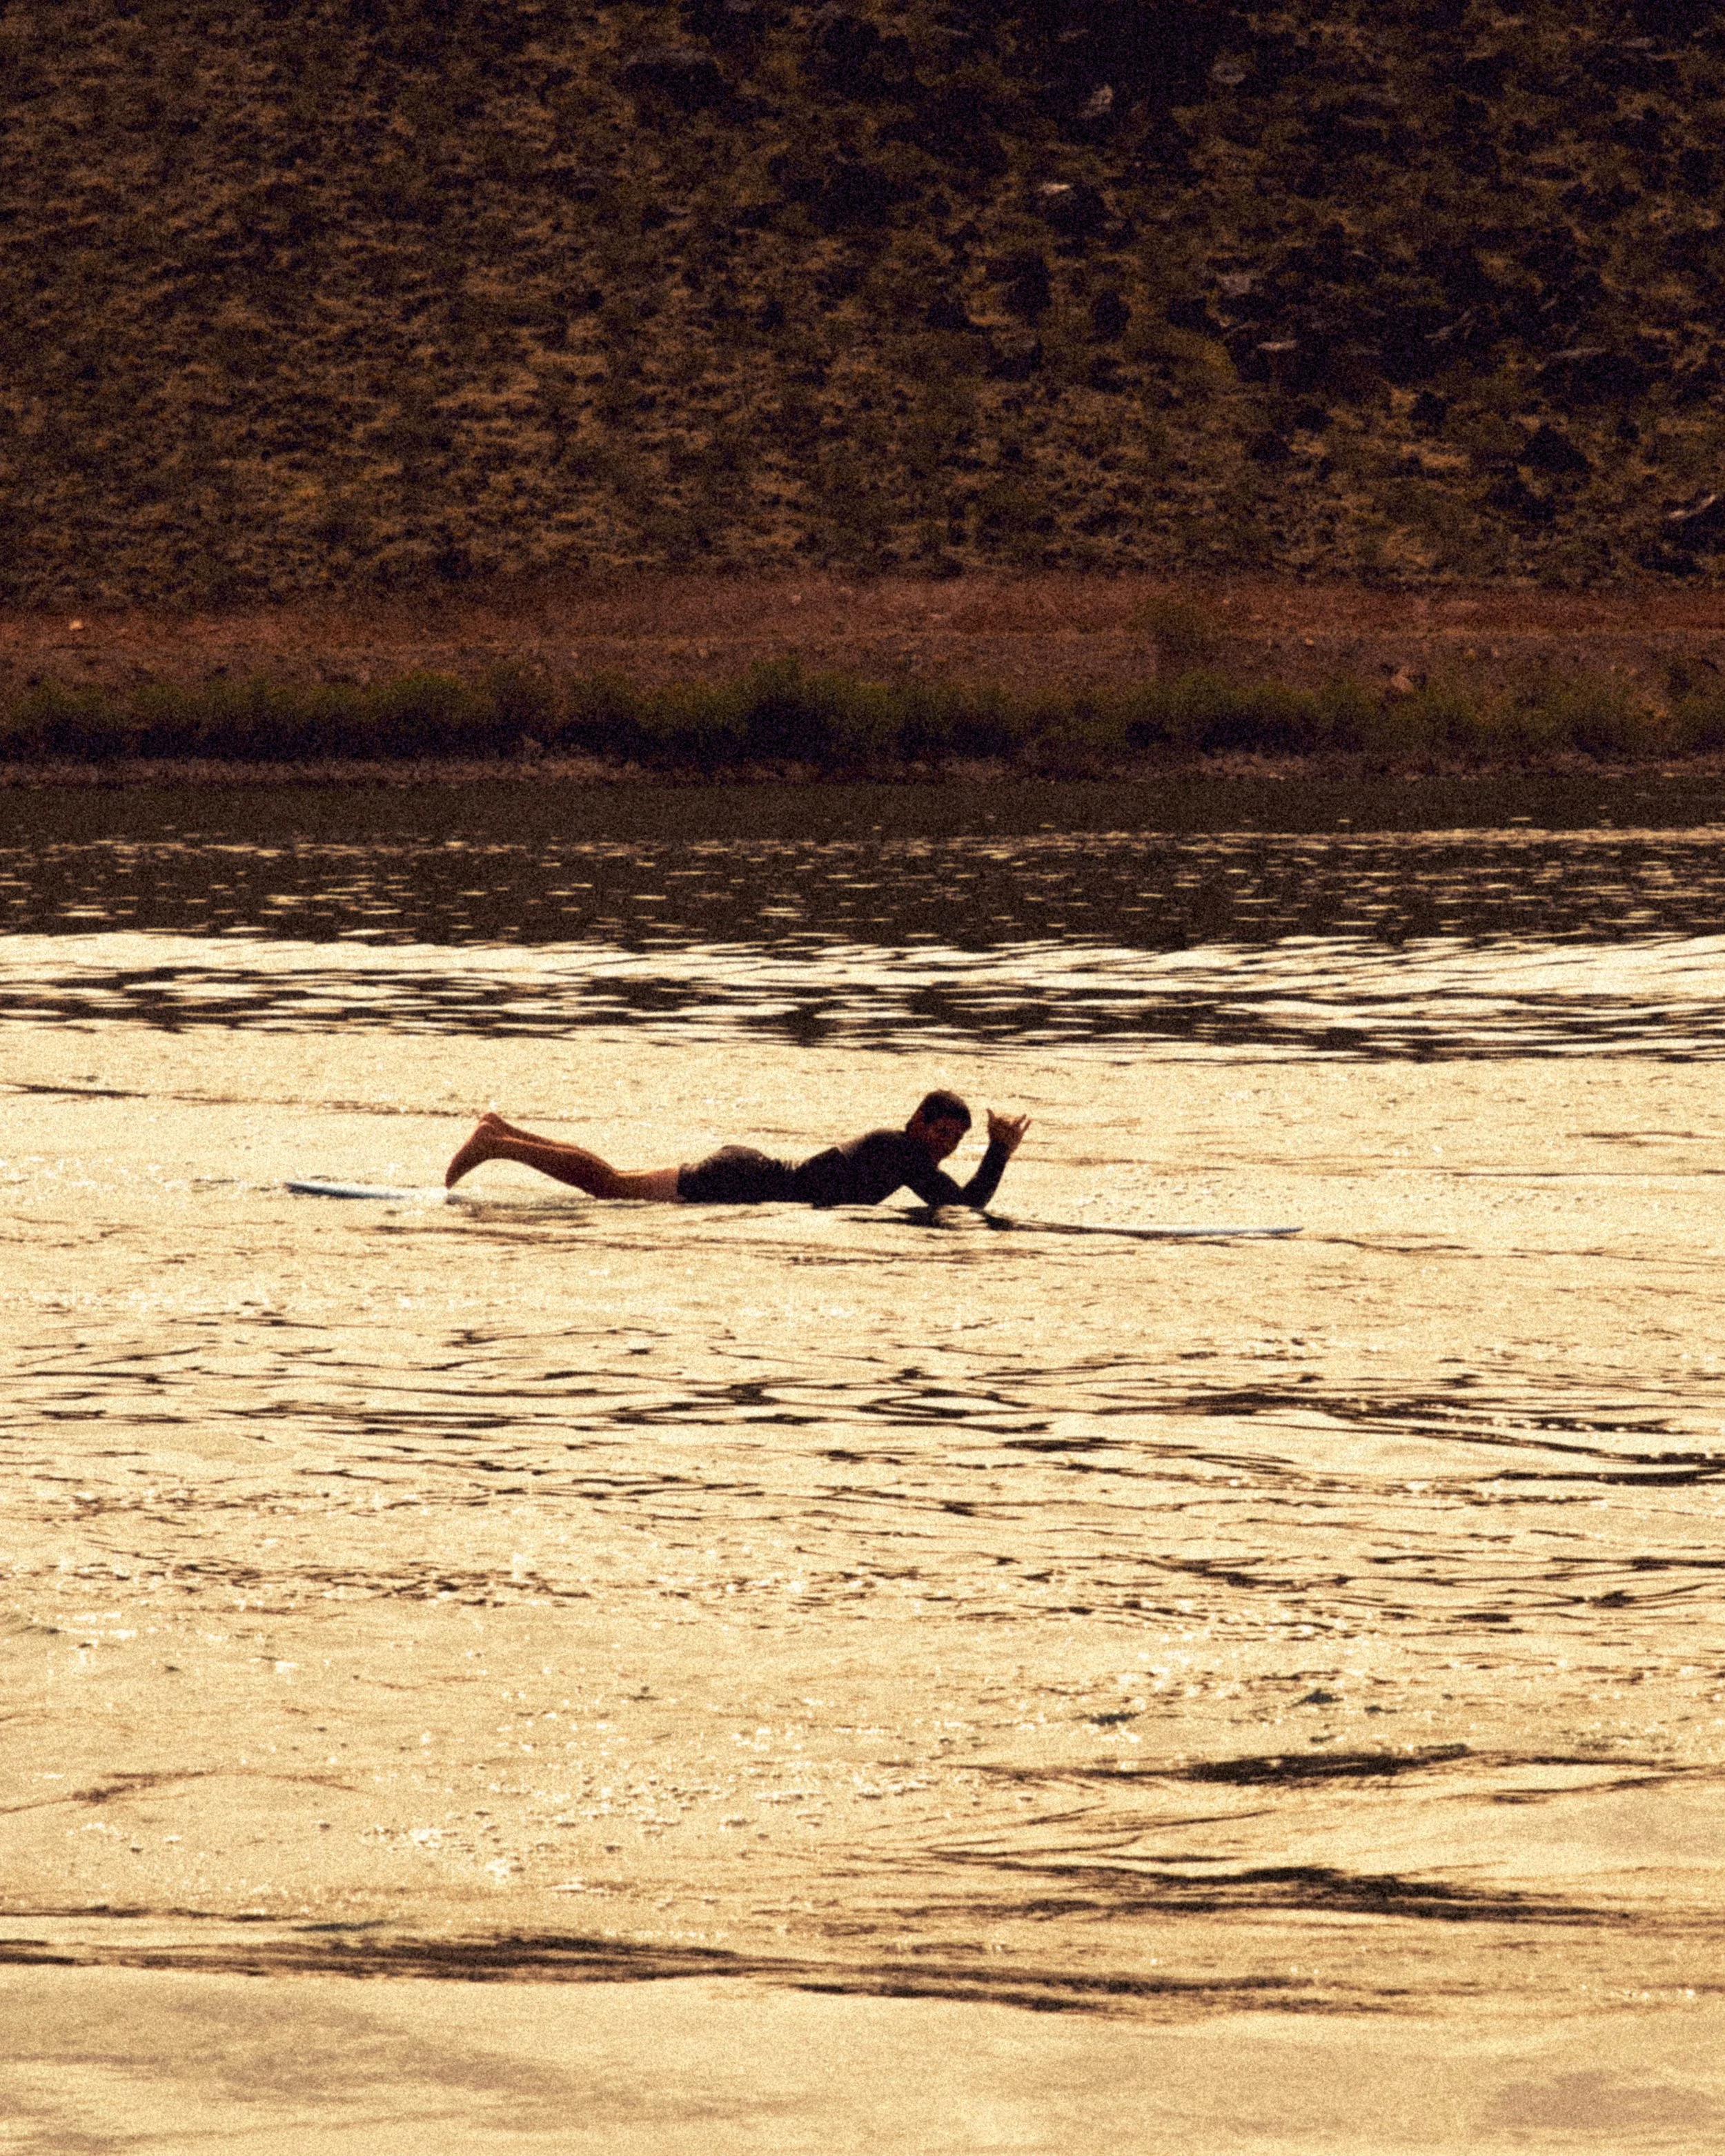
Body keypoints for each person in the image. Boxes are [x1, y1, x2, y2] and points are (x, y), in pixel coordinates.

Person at [444, 1087, 1029, 1209]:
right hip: (744, 1182)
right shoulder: (901, 1151)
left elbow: (946, 1203)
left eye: (956, 1140)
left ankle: (501, 1131)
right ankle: (497, 1142)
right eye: (939, 1132)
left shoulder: (902, 1157)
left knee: (615, 1181)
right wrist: (998, 1152)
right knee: (611, 1186)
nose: (944, 1146)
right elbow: (962, 1207)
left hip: (746, 1173)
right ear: (916, 1121)